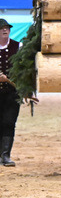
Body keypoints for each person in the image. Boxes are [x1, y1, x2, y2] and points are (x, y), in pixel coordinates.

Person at [0, 19, 20, 167]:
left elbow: (23, 69)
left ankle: (6, 155)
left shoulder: (18, 46)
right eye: (2, 28)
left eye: (7, 28)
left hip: (12, 93)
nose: (5, 30)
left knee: (9, 122)